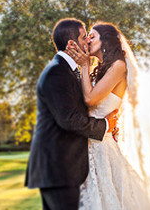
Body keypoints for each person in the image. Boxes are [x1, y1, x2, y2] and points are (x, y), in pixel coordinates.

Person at [66, 22, 150, 210]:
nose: (88, 40)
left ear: (106, 40)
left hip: (101, 146)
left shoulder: (119, 66)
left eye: (92, 36)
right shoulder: (99, 70)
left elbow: (90, 98)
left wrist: (84, 65)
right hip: (88, 143)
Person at [25, 18, 119, 210]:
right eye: (85, 37)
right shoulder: (57, 72)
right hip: (57, 170)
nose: (88, 42)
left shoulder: (66, 70)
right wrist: (106, 124)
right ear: (71, 44)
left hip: (63, 169)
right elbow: (69, 120)